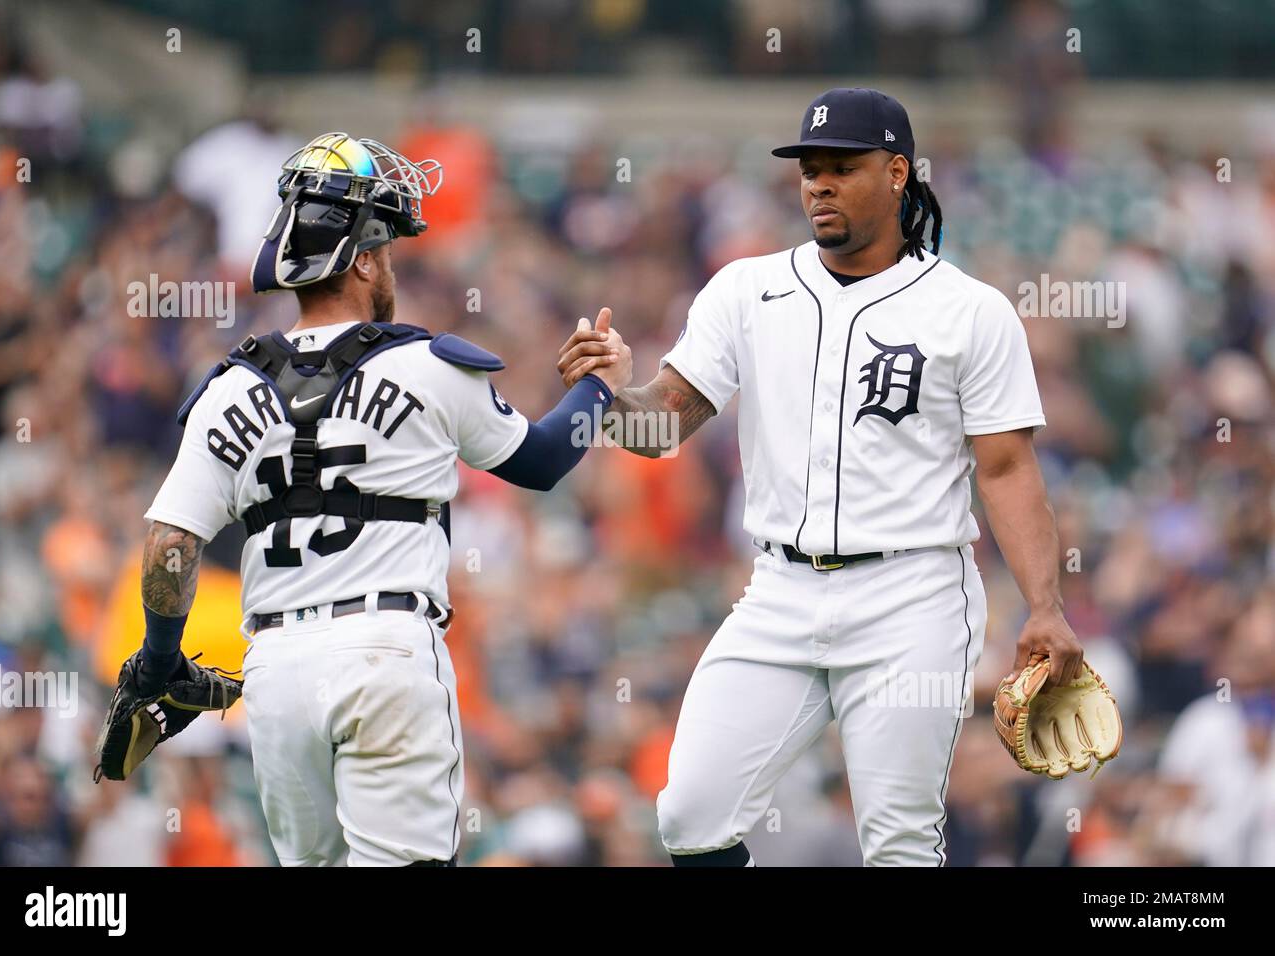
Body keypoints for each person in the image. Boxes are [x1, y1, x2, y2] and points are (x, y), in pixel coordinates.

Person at [559, 89, 1083, 866]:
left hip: (913, 596)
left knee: (899, 843)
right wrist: (604, 394)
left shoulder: (969, 310)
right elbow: (662, 424)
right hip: (779, 591)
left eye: (843, 167)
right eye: (811, 170)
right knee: (689, 814)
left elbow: (1007, 469)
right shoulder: (747, 289)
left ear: (898, 171)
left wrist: (1045, 606)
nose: (820, 185)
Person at [133, 133, 630, 865]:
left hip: (275, 666)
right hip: (386, 655)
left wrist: (159, 662)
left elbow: (169, 547)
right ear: (363, 257)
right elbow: (546, 461)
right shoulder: (428, 366)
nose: (391, 262)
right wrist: (600, 384)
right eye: (387, 246)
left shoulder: (227, 389)